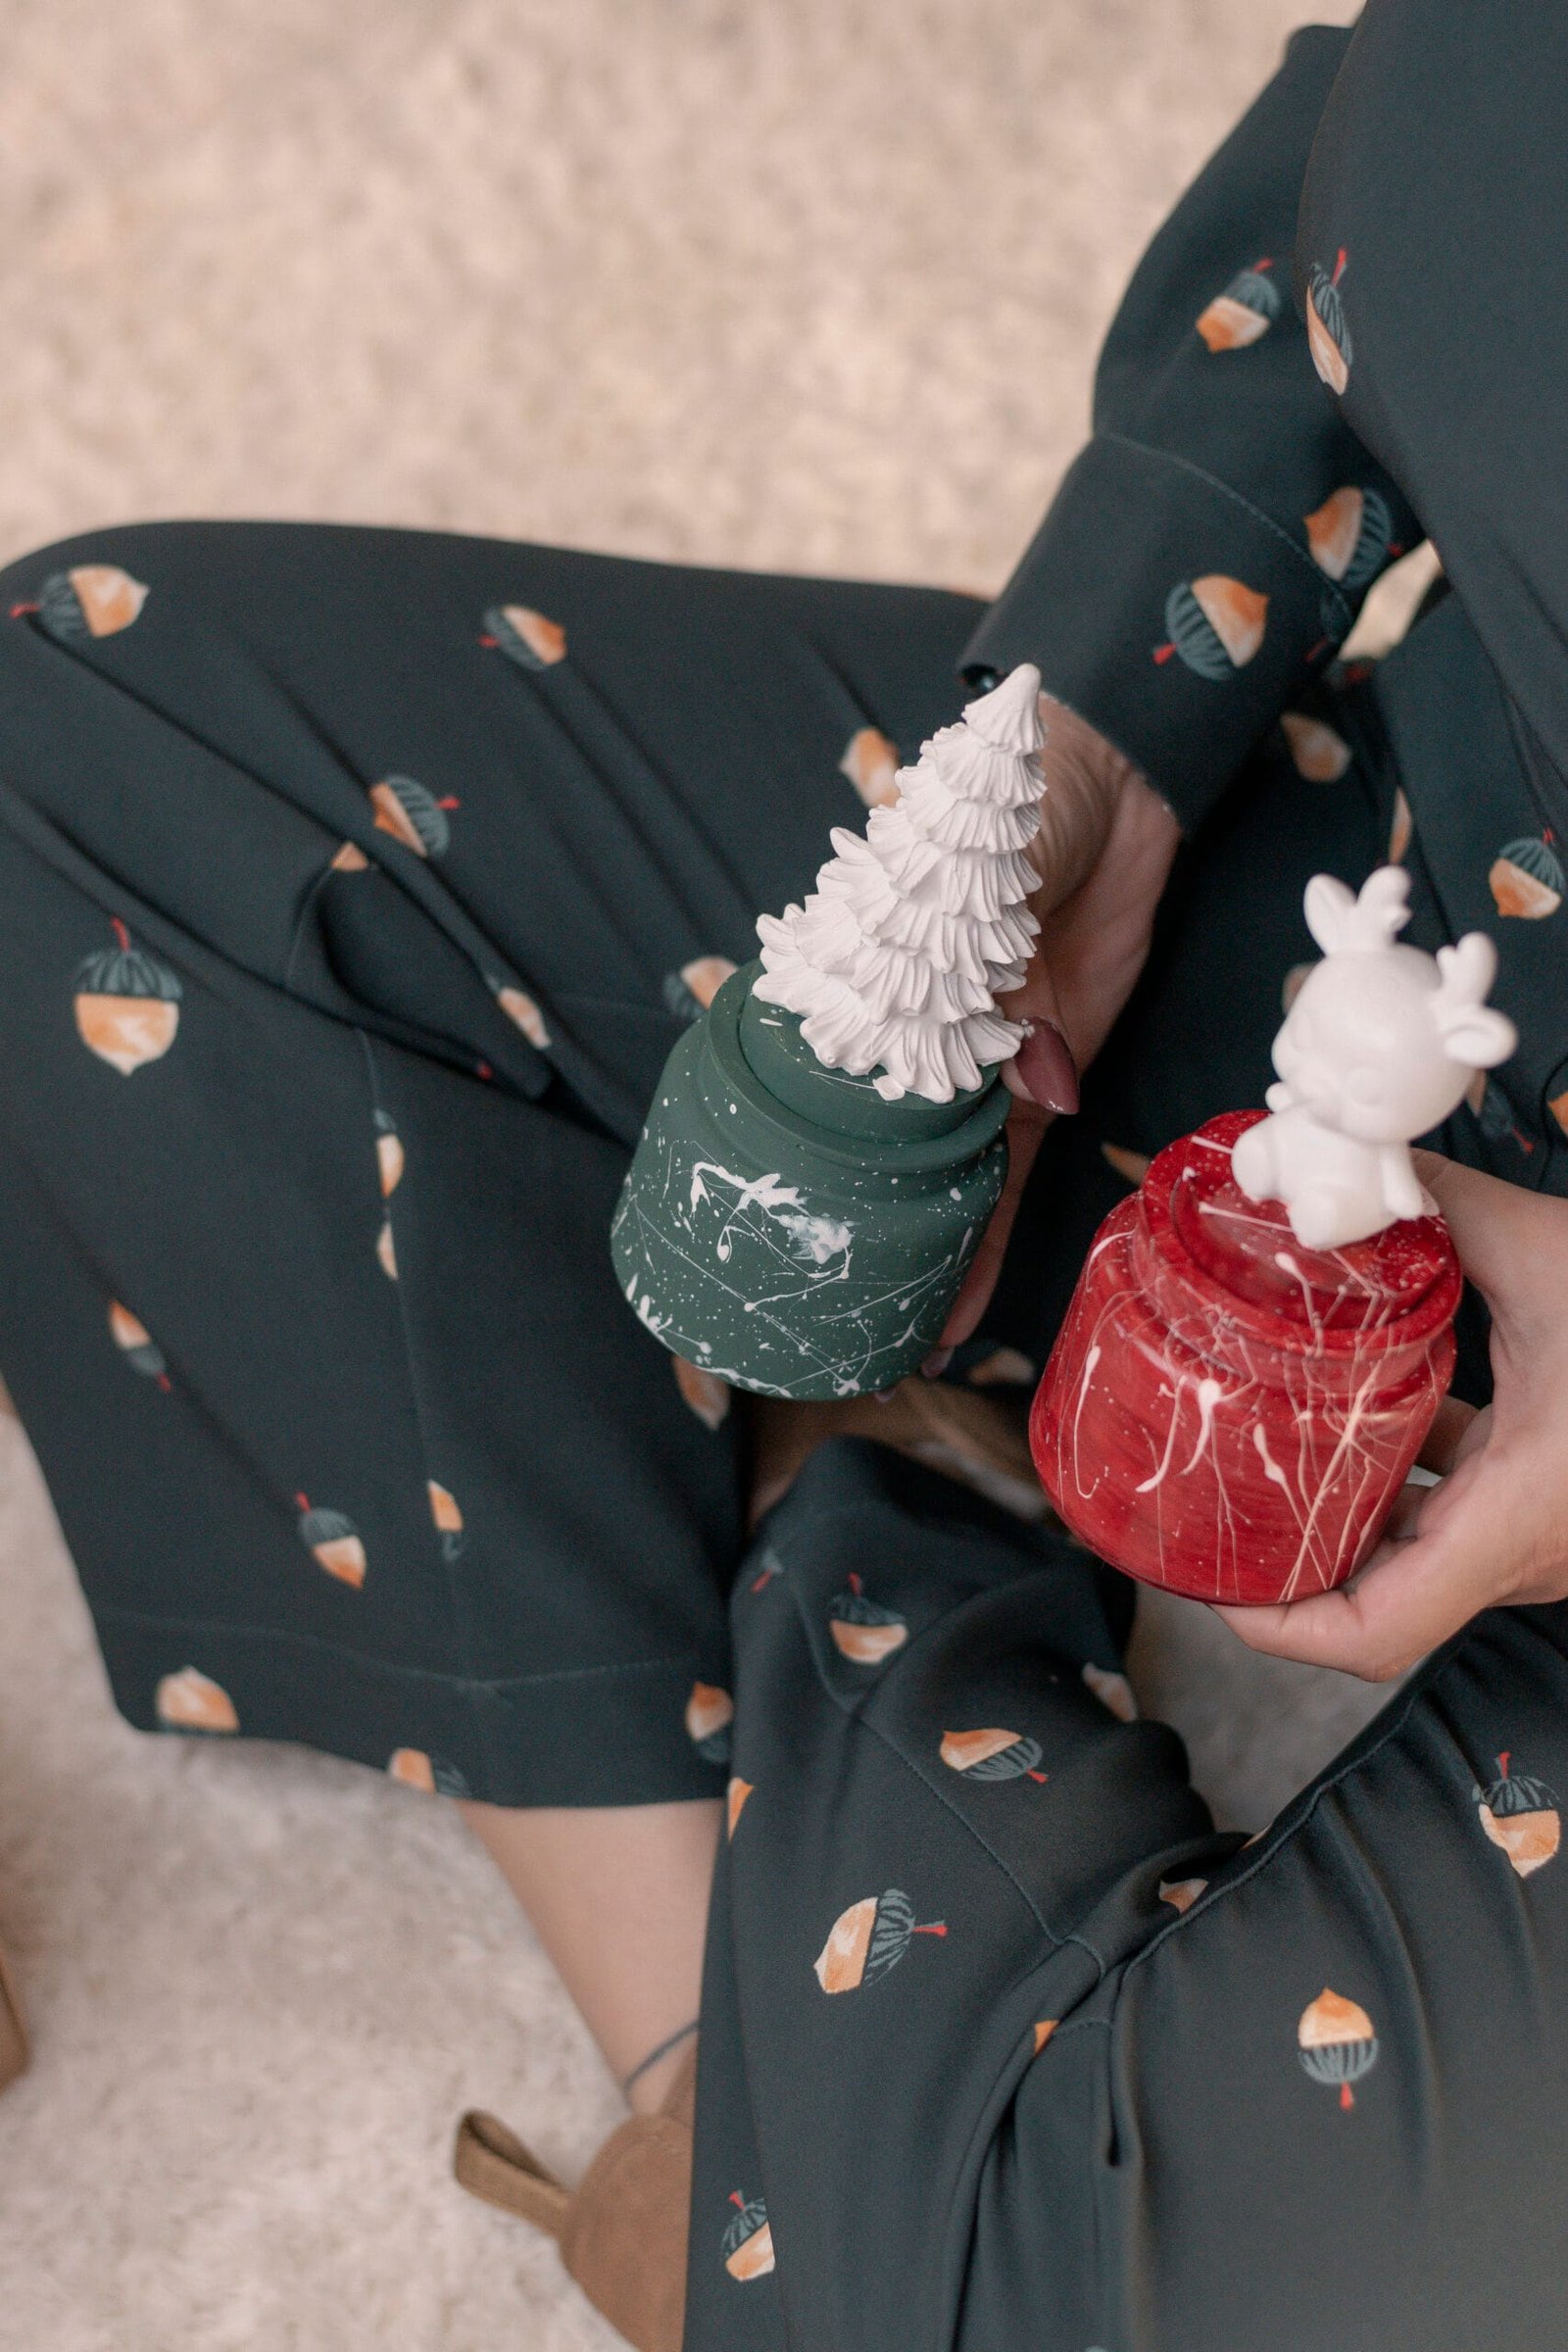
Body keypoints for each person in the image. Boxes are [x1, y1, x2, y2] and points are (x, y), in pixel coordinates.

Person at [0, 1, 1564, 2346]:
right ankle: (714, 2089)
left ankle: (828, 1567)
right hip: (1430, 934)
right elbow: (1397, 154)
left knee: (1173, 2281)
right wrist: (1088, 747)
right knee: (86, 764)